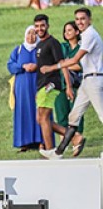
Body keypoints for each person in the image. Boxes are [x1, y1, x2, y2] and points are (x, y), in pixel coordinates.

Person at [41, 8, 103, 158]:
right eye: (77, 19)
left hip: (95, 79)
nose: (80, 22)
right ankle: (59, 151)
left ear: (89, 19)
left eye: (82, 19)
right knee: (73, 117)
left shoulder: (90, 35)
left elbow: (75, 60)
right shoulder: (84, 36)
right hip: (87, 81)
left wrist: (52, 67)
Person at [31, 14, 67, 156]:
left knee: (44, 117)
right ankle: (74, 136)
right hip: (42, 85)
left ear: (48, 26)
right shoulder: (39, 44)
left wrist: (68, 86)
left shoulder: (53, 43)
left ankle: (51, 150)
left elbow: (63, 63)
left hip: (51, 83)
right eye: (37, 26)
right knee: (40, 119)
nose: (40, 28)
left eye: (42, 25)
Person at [6, 26, 42, 151]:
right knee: (23, 110)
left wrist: (37, 67)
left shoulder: (40, 49)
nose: (31, 37)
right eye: (29, 34)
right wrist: (23, 66)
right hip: (22, 85)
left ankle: (40, 140)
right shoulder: (18, 50)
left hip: (37, 84)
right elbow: (10, 65)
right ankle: (24, 142)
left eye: (34, 34)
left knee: (39, 110)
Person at [54, 21, 85, 155]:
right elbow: (58, 62)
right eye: (65, 30)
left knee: (75, 112)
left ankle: (77, 140)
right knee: (61, 112)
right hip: (60, 84)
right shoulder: (62, 46)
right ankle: (63, 142)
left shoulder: (81, 47)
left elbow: (81, 66)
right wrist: (67, 65)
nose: (67, 33)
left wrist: (65, 65)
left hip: (76, 84)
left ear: (77, 32)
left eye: (70, 30)